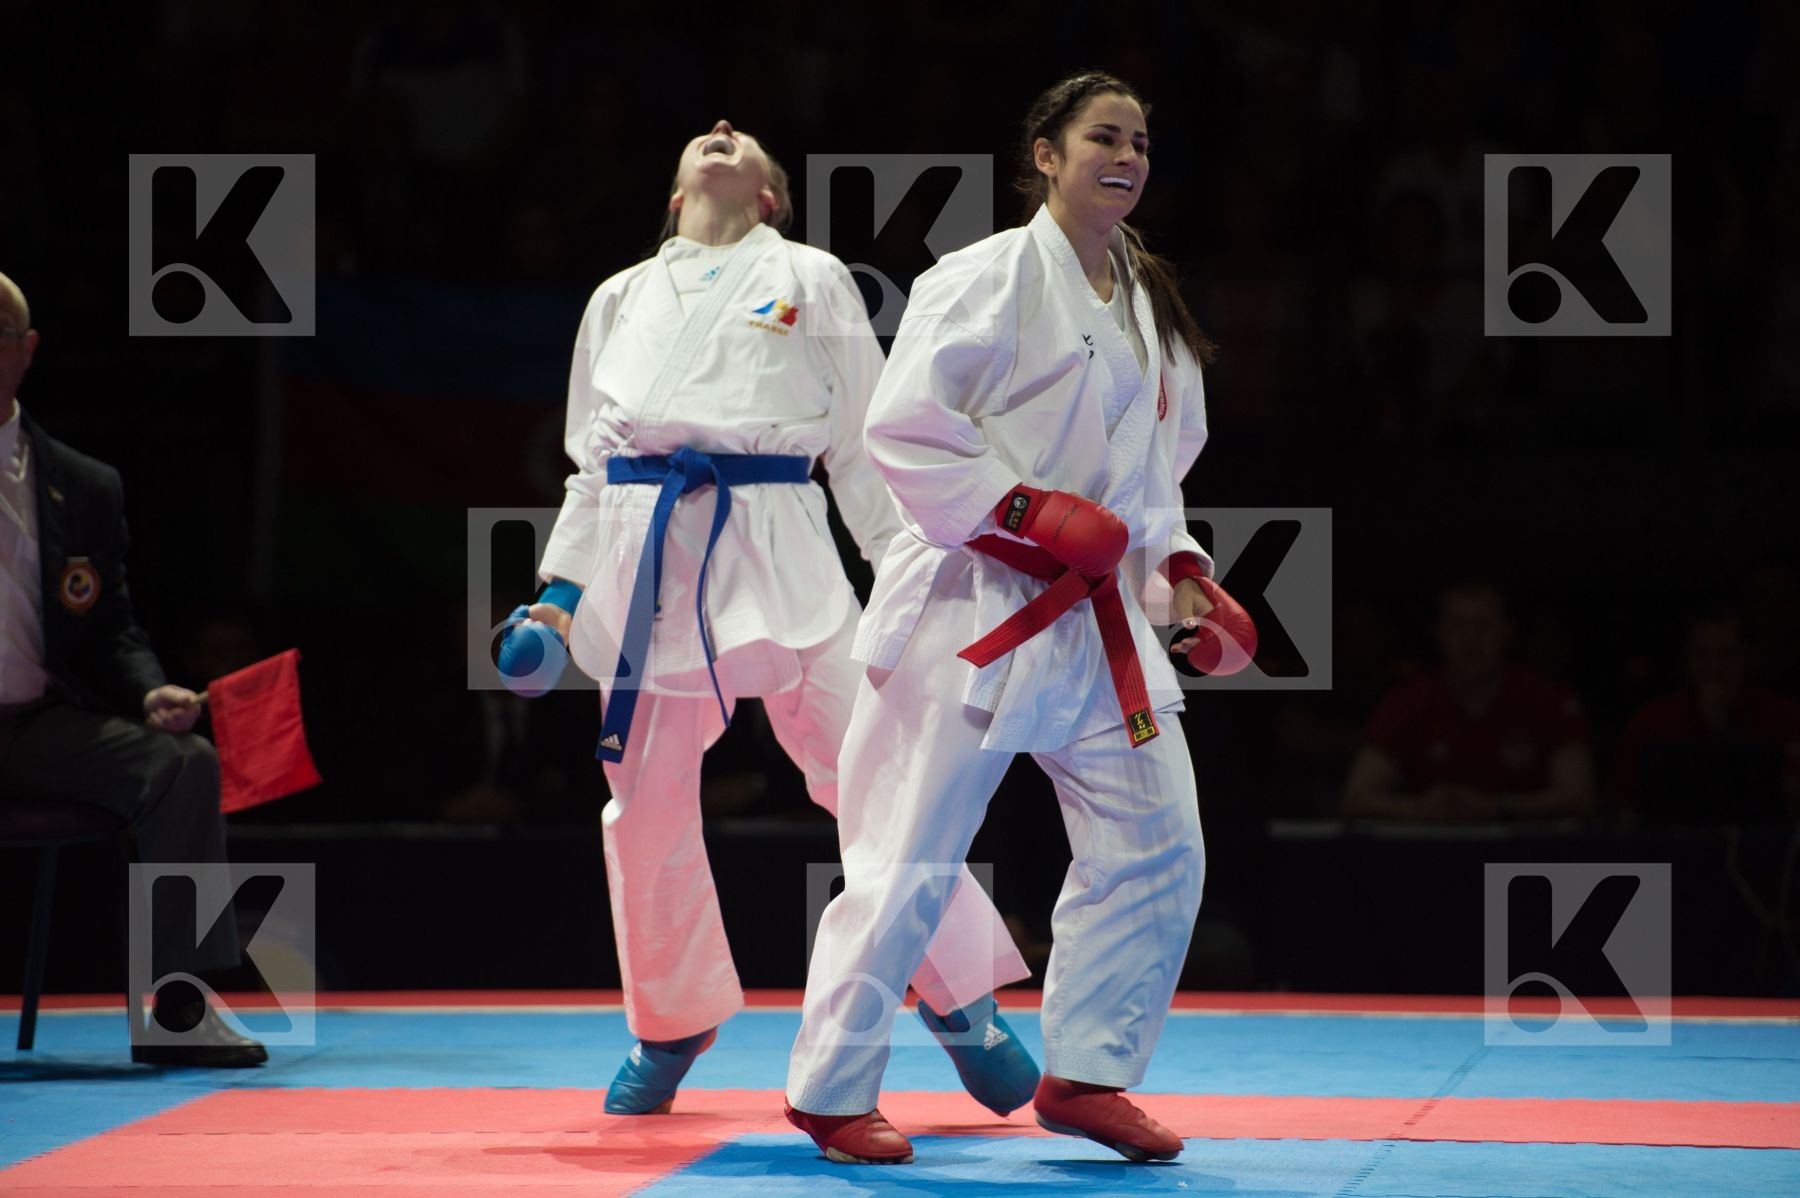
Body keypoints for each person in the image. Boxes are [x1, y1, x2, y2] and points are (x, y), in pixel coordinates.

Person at [496, 123, 1038, 1117]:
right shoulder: (619, 296)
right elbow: (593, 462)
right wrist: (556, 594)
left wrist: (903, 577)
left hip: (785, 542)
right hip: (649, 551)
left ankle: (960, 1000)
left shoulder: (812, 275)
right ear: (672, 192)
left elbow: (871, 443)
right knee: (645, 801)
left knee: (877, 780)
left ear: (773, 197)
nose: (717, 131)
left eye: (739, 138)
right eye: (700, 137)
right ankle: (670, 1019)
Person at [784, 73, 1240, 1165]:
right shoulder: (984, 278)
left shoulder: (1149, 297)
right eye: (1102, 136)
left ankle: (1085, 1072)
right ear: (1045, 153)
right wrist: (1027, 507)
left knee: (1160, 838)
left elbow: (1154, 475)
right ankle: (831, 1089)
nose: (1125, 154)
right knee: (905, 857)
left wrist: (1179, 567)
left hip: (1095, 621)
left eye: (1139, 139)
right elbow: (904, 425)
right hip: (970, 605)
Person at [0, 271, 265, 1067]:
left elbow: (109, 623)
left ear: (28, 351)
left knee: (182, 764)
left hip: (35, 725)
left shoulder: (80, 486)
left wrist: (150, 687)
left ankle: (179, 1004)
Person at [1342, 580, 1595, 822]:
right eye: (1457, 626)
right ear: (1439, 633)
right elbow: (1356, 797)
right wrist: (1419, 809)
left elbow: (1580, 796)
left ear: (1507, 633)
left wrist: (1495, 807)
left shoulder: (1547, 699)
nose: (1470, 639)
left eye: (1482, 626)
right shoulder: (1409, 702)